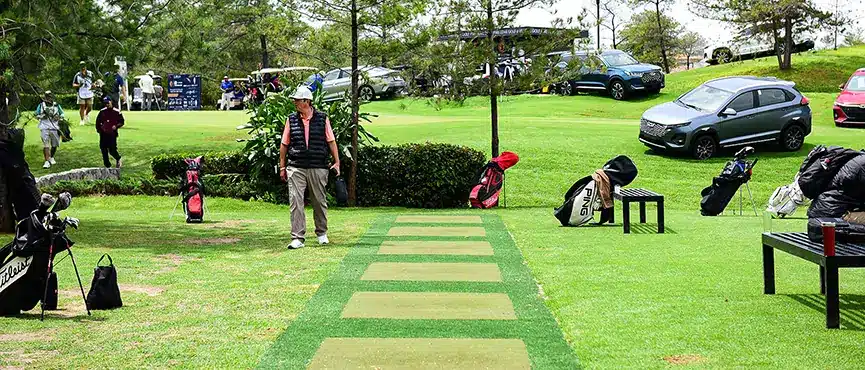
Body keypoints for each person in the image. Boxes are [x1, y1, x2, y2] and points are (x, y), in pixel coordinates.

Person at [279, 86, 340, 250]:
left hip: (318, 166)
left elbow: (331, 141)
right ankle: (297, 237)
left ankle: (322, 233)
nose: (294, 102)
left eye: (297, 100)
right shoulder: (291, 119)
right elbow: (284, 144)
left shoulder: (322, 118)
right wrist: (282, 166)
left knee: (319, 201)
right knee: (295, 202)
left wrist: (337, 162)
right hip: (296, 166)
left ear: (306, 101)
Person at [34, 91, 64, 169]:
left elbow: (62, 114)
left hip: (55, 127)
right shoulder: (41, 105)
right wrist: (41, 116)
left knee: (54, 145)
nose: (48, 99)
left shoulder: (57, 105)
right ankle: (47, 161)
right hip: (44, 127)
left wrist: (59, 117)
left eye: (50, 97)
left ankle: (51, 157)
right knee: (46, 144)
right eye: (47, 97)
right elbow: (36, 114)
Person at [95, 96, 124, 168]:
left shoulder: (117, 112)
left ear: (111, 102)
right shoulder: (102, 111)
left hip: (112, 134)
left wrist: (116, 126)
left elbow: (122, 122)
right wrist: (99, 130)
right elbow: (98, 122)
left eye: (108, 103)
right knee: (103, 149)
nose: (107, 105)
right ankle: (107, 165)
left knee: (112, 150)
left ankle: (118, 158)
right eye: (105, 103)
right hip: (103, 133)